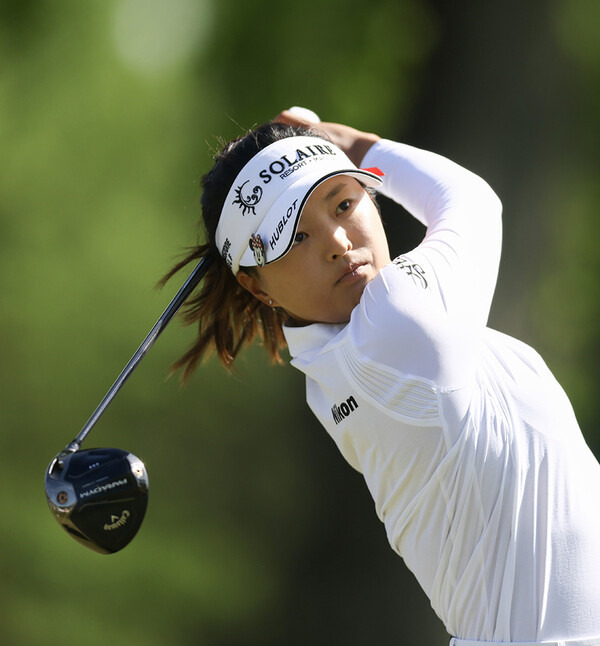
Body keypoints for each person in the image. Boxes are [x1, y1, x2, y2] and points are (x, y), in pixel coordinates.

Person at [161, 108, 600, 645]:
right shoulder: (397, 320)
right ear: (257, 286)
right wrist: (356, 144)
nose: (339, 243)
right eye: (295, 238)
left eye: (343, 203)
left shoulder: (329, 375)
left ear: (370, 197)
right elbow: (472, 201)